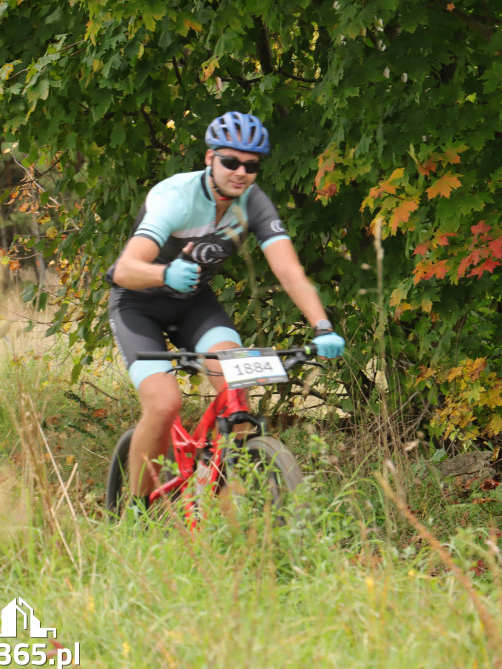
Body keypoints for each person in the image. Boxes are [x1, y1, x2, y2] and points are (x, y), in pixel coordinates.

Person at [106, 111, 345, 517]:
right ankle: (134, 513)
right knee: (164, 404)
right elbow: (124, 269)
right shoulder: (176, 196)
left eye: (251, 166)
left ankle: (220, 504)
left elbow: (289, 270)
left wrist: (321, 325)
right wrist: (164, 272)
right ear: (209, 158)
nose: (241, 173)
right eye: (231, 162)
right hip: (137, 303)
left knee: (236, 385)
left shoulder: (253, 202)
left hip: (193, 304)